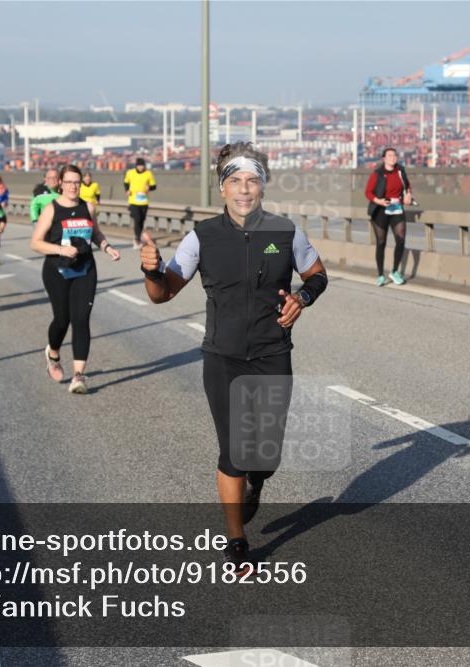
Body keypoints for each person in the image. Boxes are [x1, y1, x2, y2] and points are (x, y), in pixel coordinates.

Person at [139, 142, 327, 569]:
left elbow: (318, 275)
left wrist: (304, 297)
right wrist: (151, 271)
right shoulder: (201, 237)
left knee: (266, 453)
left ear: (262, 185)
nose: (244, 189)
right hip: (222, 358)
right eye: (235, 181)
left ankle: (256, 483)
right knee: (234, 452)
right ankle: (237, 541)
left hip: (273, 353)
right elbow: (162, 294)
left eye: (252, 180)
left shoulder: (286, 232)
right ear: (222, 188)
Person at [30, 164, 120, 393]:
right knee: (62, 319)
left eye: (76, 182)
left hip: (85, 269)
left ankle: (78, 376)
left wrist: (107, 247)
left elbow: (96, 232)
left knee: (81, 319)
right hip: (56, 270)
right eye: (68, 182)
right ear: (60, 183)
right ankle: (52, 352)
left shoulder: (87, 207)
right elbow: (36, 242)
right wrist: (60, 250)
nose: (73, 186)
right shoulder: (51, 209)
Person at [365, 147, 413, 286]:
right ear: (384, 158)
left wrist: (408, 195)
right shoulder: (377, 173)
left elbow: (407, 186)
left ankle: (395, 271)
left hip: (397, 208)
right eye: (390, 155)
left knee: (401, 240)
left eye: (394, 155)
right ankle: (380, 274)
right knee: (381, 243)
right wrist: (378, 201)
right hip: (381, 209)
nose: (393, 157)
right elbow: (368, 192)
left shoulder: (400, 171)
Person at [124, 157, 156, 249]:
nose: (141, 167)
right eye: (139, 165)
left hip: (144, 201)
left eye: (142, 165)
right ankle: (137, 239)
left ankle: (138, 238)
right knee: (137, 219)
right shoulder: (130, 173)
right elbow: (125, 182)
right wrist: (127, 190)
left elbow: (154, 186)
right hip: (133, 201)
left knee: (141, 221)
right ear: (136, 166)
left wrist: (149, 188)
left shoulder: (148, 174)